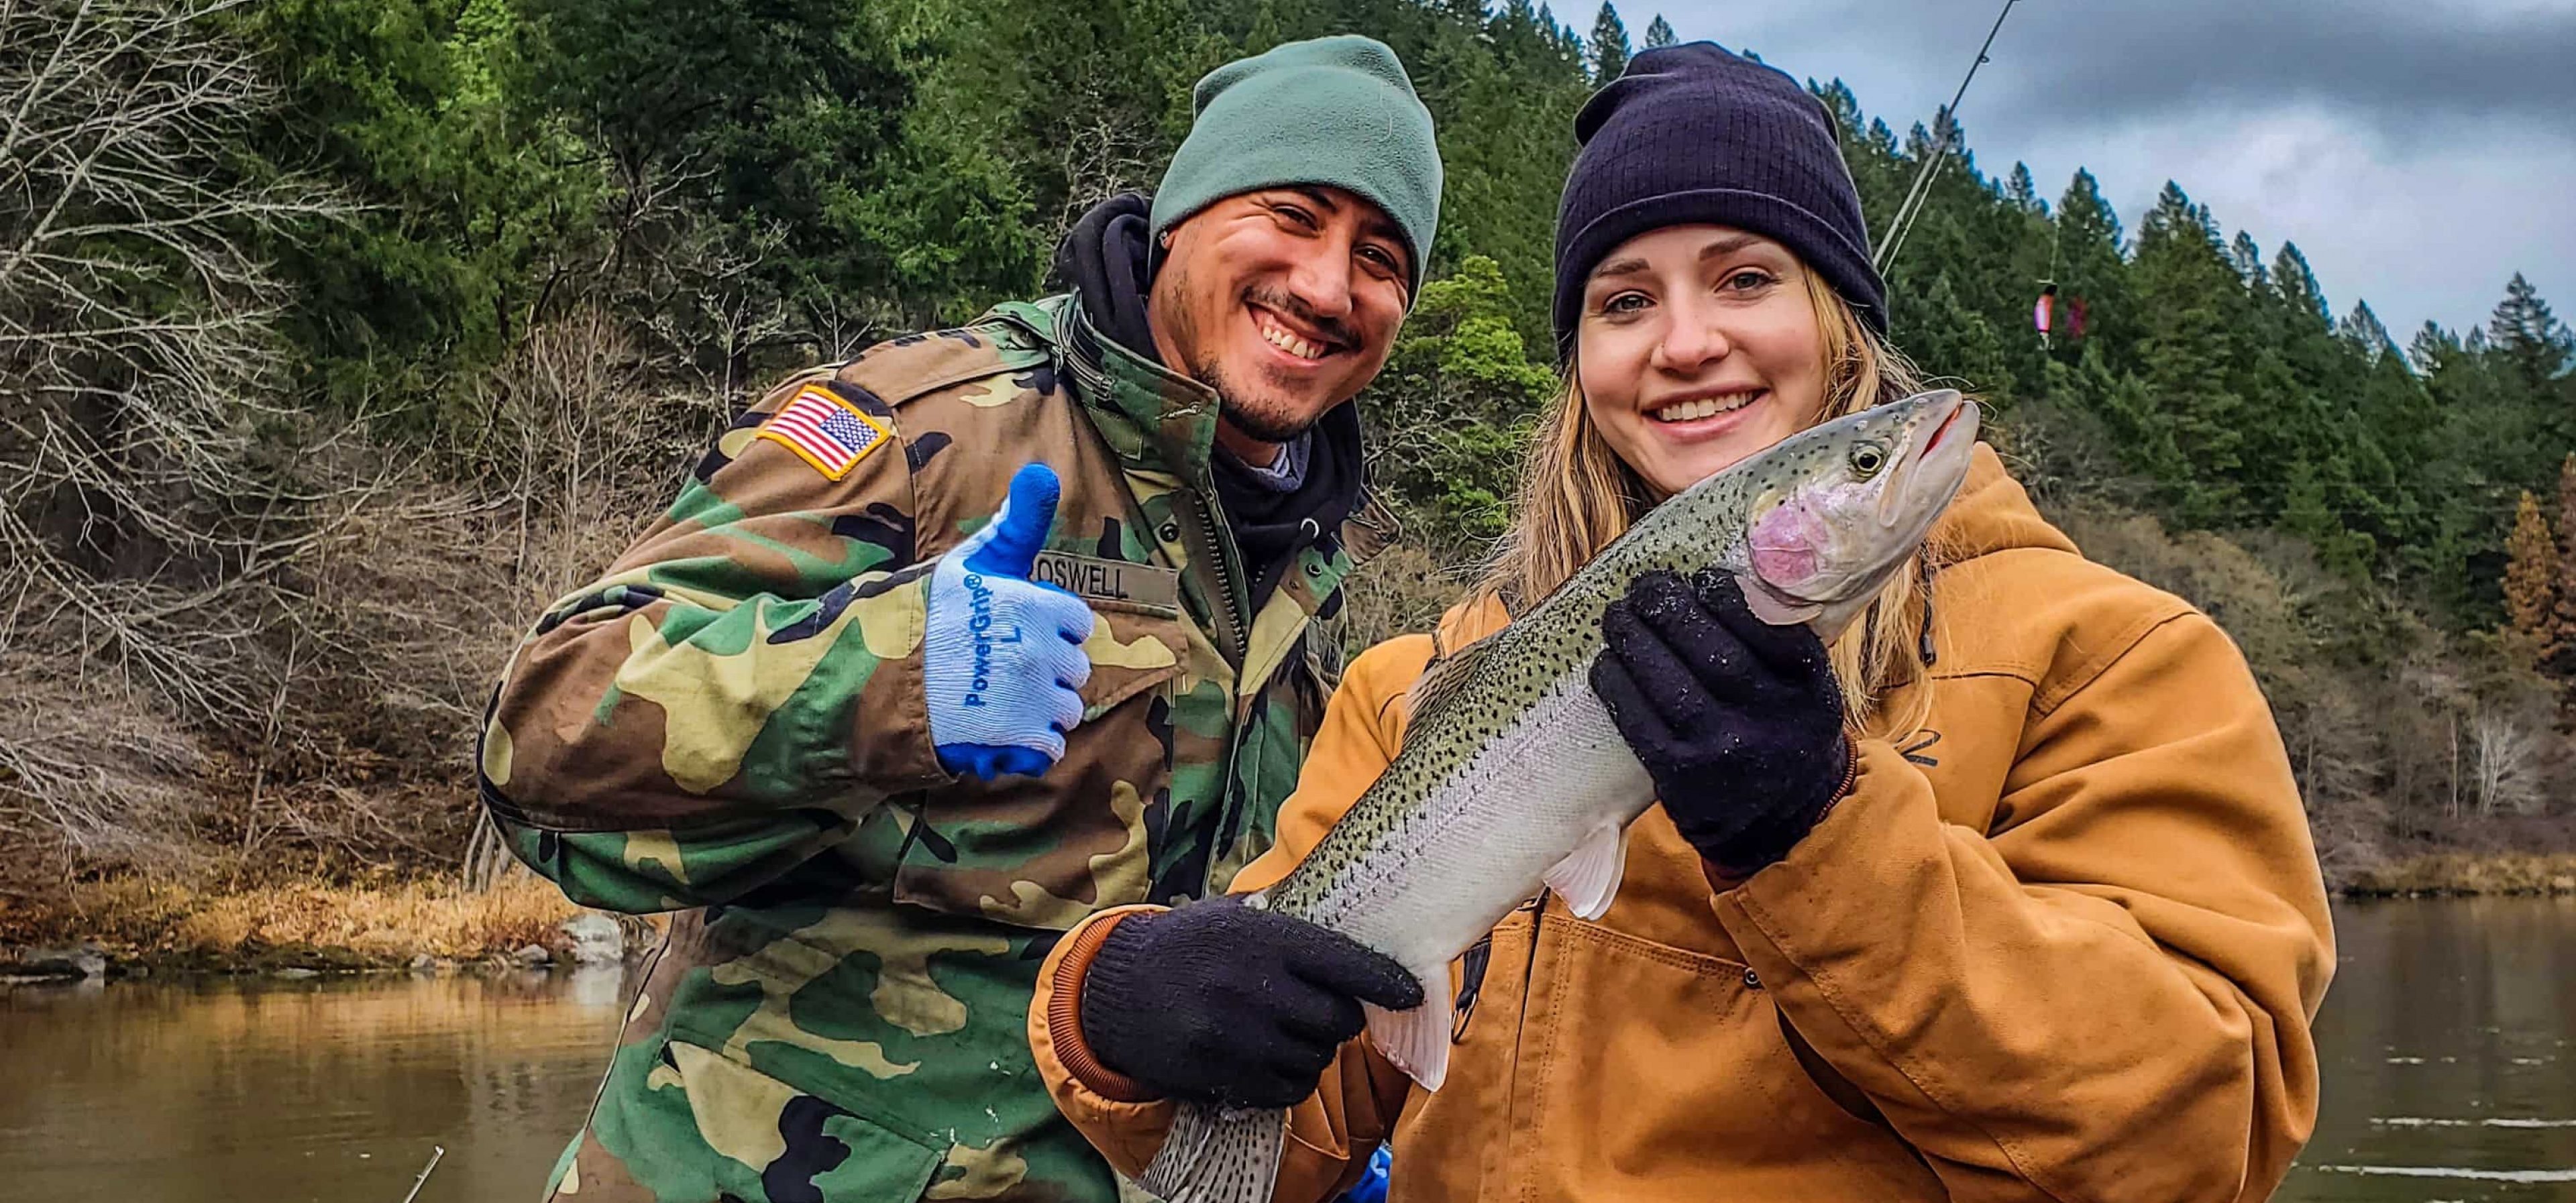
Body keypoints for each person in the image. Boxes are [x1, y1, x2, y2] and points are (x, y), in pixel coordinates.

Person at [1030, 42, 2334, 1202]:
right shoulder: (1417, 679)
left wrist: (1817, 836)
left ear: (1839, 321)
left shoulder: (2114, 659)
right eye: (1625, 300)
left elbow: (2196, 1142)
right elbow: (1293, 1139)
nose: (1686, 342)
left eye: (1746, 277)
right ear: (1583, 359)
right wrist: (1117, 1009)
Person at [476, 34, 1443, 1202]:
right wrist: (891, 676)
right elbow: (543, 731)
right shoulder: (929, 426)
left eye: (1381, 257)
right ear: (1184, 215)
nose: (1329, 286)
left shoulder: (1317, 577)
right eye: (1292, 214)